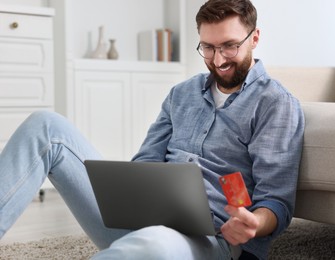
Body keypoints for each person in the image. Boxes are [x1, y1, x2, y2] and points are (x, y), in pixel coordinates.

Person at [0, 0, 304, 259]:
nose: (219, 59)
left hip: (212, 241)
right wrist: (133, 196)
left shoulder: (275, 104)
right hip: (143, 223)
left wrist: (254, 222)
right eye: (208, 48)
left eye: (230, 46)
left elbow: (276, 201)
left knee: (155, 243)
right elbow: (145, 162)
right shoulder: (181, 94)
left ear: (255, 38)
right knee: (47, 126)